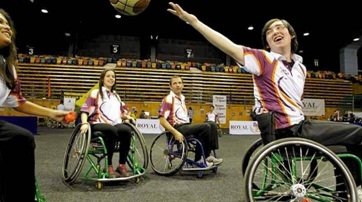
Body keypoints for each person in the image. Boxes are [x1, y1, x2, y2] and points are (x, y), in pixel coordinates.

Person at [167, 1, 362, 190]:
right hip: (287, 130)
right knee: (357, 133)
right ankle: (357, 190)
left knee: (347, 142)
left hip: (301, 125)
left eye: (279, 28)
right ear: (268, 42)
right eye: (269, 32)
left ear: (291, 34)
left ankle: (347, 190)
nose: (275, 32)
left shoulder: (301, 68)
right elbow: (228, 46)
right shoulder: (263, 59)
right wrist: (194, 22)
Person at [0, 8, 70, 202]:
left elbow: (17, 101)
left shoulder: (8, 68)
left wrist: (51, 113)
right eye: (0, 23)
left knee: (22, 138)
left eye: (7, 24)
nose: (6, 27)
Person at [79, 68, 135, 178]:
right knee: (112, 130)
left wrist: (127, 116)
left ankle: (121, 165)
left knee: (126, 130)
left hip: (114, 124)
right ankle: (108, 165)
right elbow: (84, 111)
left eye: (113, 76)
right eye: (108, 76)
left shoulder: (116, 96)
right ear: (102, 79)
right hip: (96, 124)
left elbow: (121, 113)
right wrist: (84, 123)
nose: (111, 78)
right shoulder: (95, 93)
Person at [158, 75, 222, 166]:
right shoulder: (168, 99)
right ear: (170, 86)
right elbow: (162, 120)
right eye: (175, 83)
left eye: (180, 83)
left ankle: (207, 155)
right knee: (205, 127)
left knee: (212, 124)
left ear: (183, 85)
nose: (178, 85)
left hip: (186, 126)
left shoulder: (182, 99)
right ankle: (199, 159)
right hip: (176, 128)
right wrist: (175, 133)